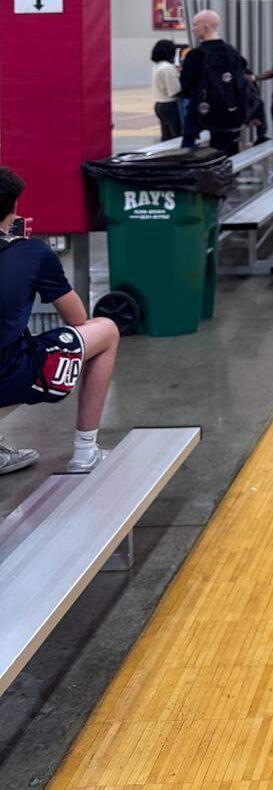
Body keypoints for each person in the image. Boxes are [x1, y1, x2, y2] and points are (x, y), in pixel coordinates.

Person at [0, 168, 121, 475]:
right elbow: (78, 319)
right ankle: (86, 451)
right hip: (9, 375)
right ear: (14, 208)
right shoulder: (31, 253)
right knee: (105, 332)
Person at [179, 10, 250, 156]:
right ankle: (227, 176)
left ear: (205, 28)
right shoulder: (232, 52)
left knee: (188, 143)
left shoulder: (195, 55)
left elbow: (186, 86)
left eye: (195, 25)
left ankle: (186, 173)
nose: (192, 29)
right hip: (228, 110)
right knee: (225, 149)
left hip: (200, 109)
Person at [150, 39, 183, 141]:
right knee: (177, 137)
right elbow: (175, 91)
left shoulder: (157, 66)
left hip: (159, 105)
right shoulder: (168, 68)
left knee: (166, 137)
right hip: (170, 106)